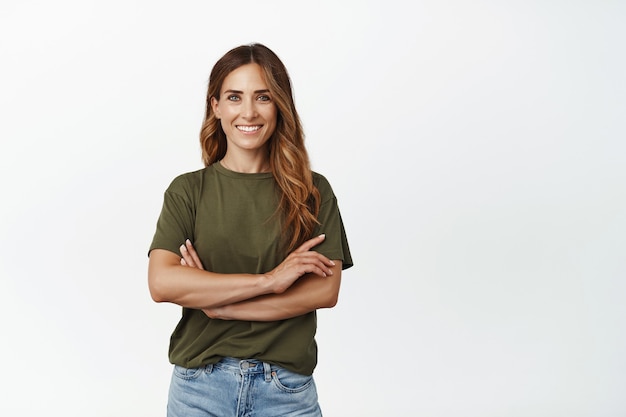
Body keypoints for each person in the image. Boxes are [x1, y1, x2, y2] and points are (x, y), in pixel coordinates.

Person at [147, 43, 353, 417]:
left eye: (263, 97)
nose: (248, 112)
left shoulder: (312, 191)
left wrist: (219, 305)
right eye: (234, 97)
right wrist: (270, 281)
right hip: (199, 389)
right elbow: (162, 283)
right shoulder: (188, 191)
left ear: (280, 106)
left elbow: (325, 289)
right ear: (216, 107)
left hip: (286, 391)